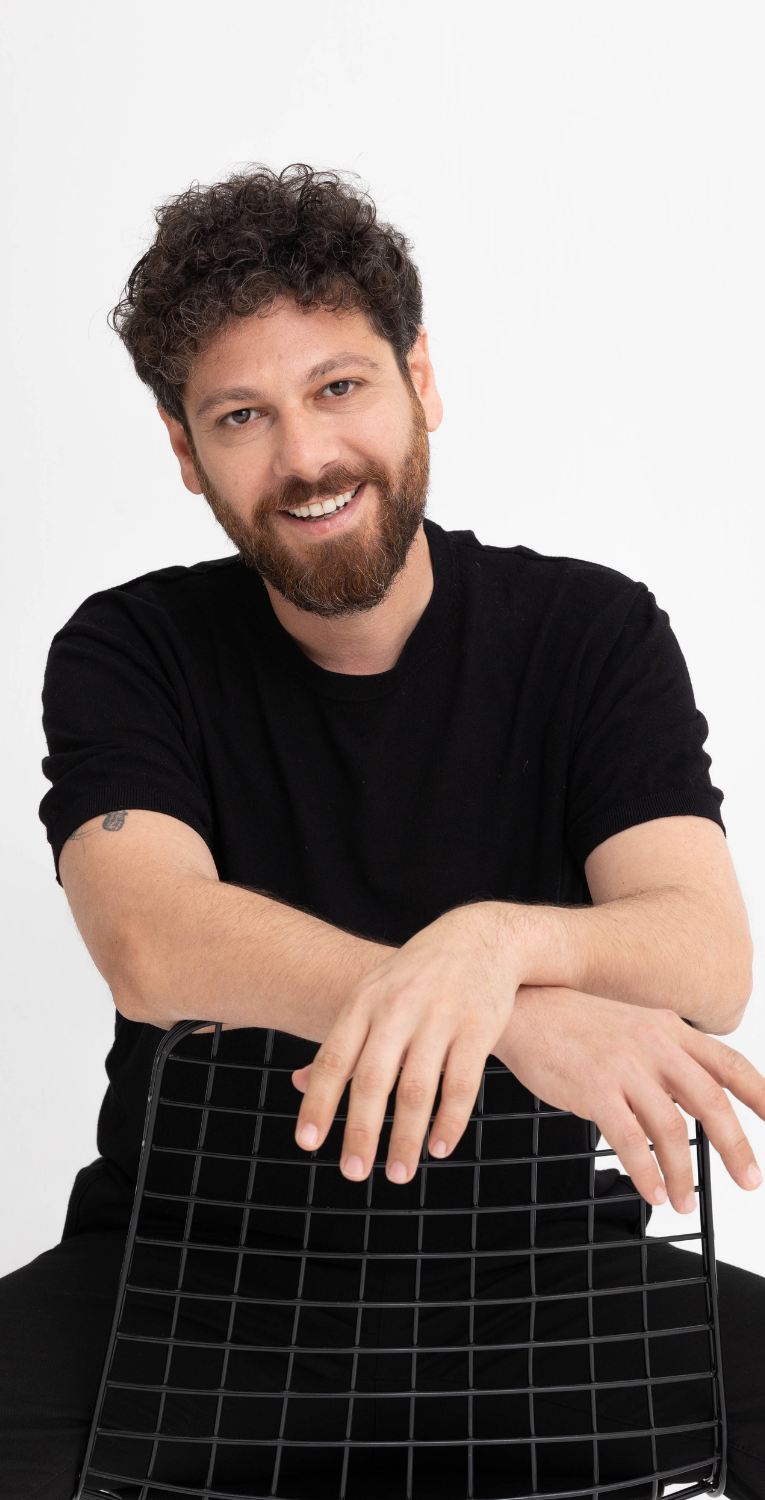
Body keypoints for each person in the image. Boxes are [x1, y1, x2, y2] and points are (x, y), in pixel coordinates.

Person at [0, 164, 762, 1500]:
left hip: (550, 1292)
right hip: (193, 1289)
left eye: (340, 387)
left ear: (420, 382)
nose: (305, 457)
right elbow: (150, 939)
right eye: (243, 415)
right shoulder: (130, 647)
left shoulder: (591, 633)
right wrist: (501, 1017)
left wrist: (491, 948)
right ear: (184, 450)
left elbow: (703, 955)